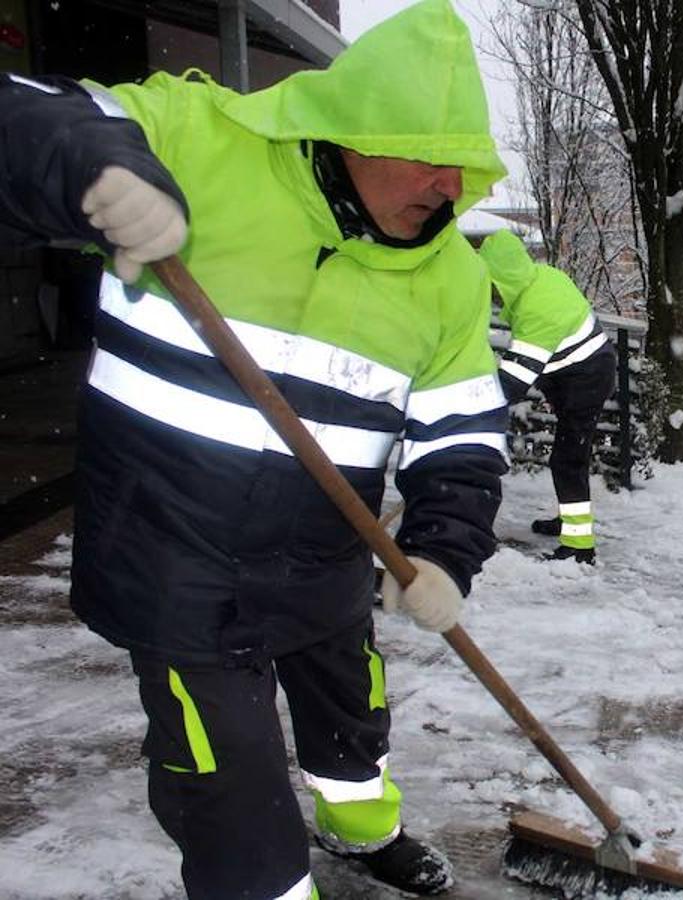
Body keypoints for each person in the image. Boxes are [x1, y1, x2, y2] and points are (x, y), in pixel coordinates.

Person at [0, 1, 510, 895]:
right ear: (350, 133)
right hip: (172, 563)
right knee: (228, 788)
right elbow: (29, 112)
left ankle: (362, 831)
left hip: (325, 557)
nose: (447, 186)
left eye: (463, 167)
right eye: (426, 157)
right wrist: (92, 164)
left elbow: (462, 431)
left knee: (353, 725)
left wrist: (443, 549)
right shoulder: (199, 142)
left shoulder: (453, 278)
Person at [478, 230, 617, 565]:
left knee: (568, 460)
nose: (492, 293)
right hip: (578, 372)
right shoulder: (542, 277)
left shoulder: (534, 308)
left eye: (491, 282)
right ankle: (569, 522)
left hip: (587, 379)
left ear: (502, 276)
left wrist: (473, 408)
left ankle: (580, 547)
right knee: (568, 457)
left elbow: (513, 381)